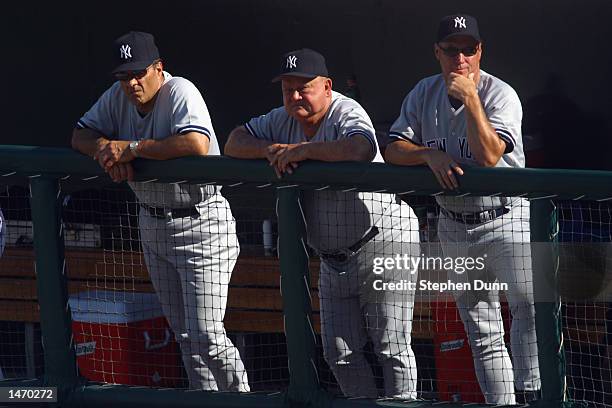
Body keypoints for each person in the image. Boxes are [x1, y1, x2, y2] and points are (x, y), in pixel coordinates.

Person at [225, 48, 420, 399]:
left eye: (304, 87)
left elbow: (360, 147)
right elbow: (233, 142)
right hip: (333, 260)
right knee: (339, 354)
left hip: (384, 240)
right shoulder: (281, 119)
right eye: (288, 89)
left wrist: (302, 150)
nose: (295, 95)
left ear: (327, 87)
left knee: (391, 348)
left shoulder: (345, 110)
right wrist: (270, 149)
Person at [71, 31, 249, 392]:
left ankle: (243, 400)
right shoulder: (117, 96)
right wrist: (107, 150)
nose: (132, 82)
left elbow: (196, 143)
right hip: (152, 222)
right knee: (185, 338)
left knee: (207, 336)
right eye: (124, 75)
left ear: (158, 68)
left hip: (200, 223)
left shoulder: (180, 90)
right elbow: (80, 135)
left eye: (139, 73)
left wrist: (133, 148)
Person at [384, 14, 540, 404]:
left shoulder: (499, 93)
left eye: (468, 49)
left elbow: (488, 155)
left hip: (505, 220)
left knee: (530, 313)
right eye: (451, 49)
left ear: (480, 51)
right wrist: (426, 154)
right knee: (481, 329)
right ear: (437, 52)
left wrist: (471, 99)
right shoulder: (423, 93)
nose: (460, 58)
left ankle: (538, 396)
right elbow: (391, 150)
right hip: (453, 223)